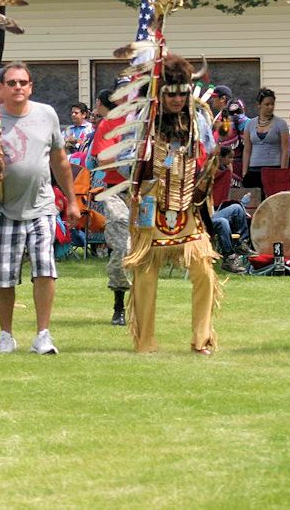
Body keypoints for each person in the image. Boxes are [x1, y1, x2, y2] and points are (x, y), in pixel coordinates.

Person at [0, 61, 76, 355]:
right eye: (11, 83)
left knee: (44, 269)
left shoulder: (46, 115)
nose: (18, 88)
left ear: (31, 87)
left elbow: (60, 160)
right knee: (3, 275)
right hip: (2, 208)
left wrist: (73, 200)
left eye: (23, 83)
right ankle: (6, 334)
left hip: (41, 206)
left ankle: (43, 334)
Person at [124, 54, 221, 355]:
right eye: (171, 93)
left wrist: (205, 177)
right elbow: (124, 160)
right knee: (145, 274)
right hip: (151, 206)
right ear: (159, 93)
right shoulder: (143, 121)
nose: (178, 99)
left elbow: (210, 153)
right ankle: (145, 342)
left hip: (187, 206)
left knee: (204, 270)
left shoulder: (198, 118)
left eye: (183, 93)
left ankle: (202, 339)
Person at [88, 87, 132, 324]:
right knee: (122, 244)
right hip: (116, 192)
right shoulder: (109, 124)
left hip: (147, 192)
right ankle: (119, 306)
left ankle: (142, 305)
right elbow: (102, 159)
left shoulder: (149, 122)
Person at [240, 88, 289, 188]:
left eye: (272, 104)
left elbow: (285, 150)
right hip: (254, 170)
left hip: (274, 169)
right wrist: (244, 172)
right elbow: (247, 150)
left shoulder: (281, 124)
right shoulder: (250, 124)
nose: (270, 107)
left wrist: (283, 172)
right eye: (267, 104)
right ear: (259, 105)